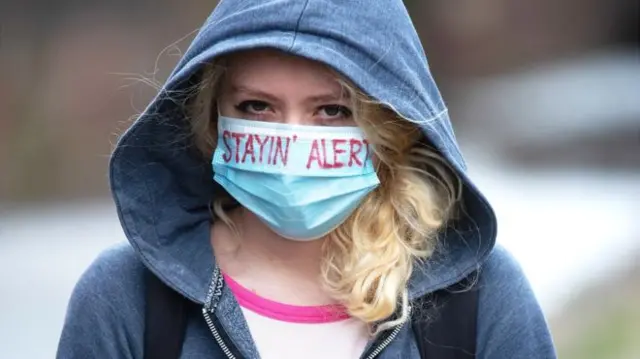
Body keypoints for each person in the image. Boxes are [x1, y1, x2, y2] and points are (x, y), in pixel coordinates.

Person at [56, 1, 556, 358]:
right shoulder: (126, 298)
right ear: (213, 120)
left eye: (333, 110)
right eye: (257, 106)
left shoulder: (481, 298)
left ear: (392, 127)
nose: (292, 139)